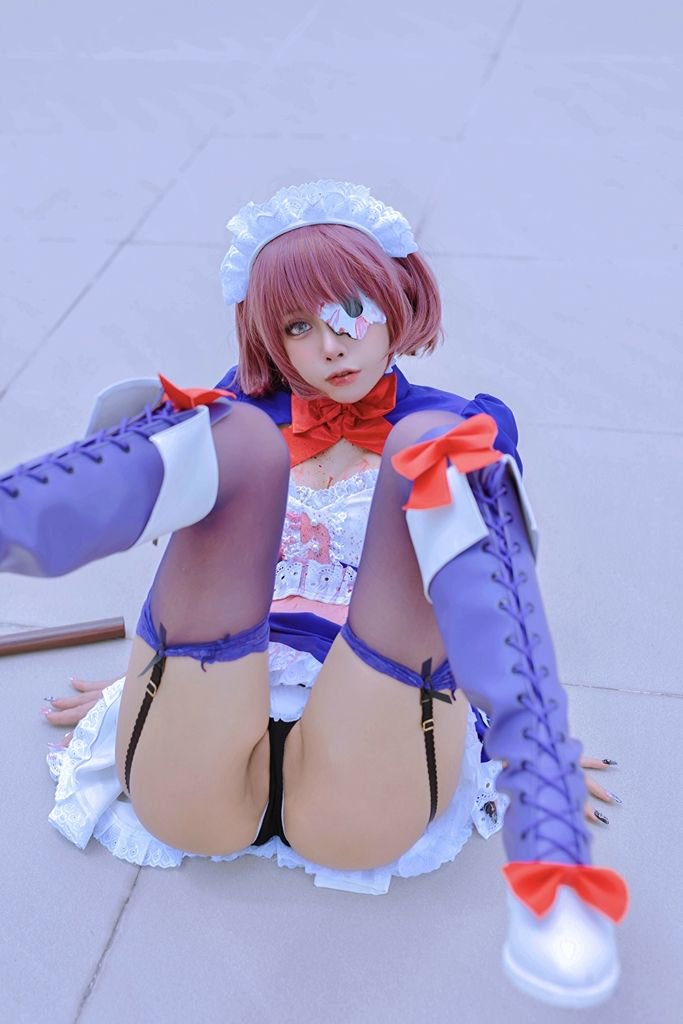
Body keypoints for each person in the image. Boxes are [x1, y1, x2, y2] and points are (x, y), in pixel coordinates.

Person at [0, 180, 627, 1008]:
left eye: (351, 309)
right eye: (297, 326)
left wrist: (516, 722)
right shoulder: (241, 414)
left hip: (374, 733)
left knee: (433, 451)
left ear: (397, 298)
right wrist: (142, 683)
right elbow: (202, 578)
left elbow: (472, 593)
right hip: (209, 725)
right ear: (270, 336)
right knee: (229, 434)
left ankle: (539, 788)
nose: (330, 345)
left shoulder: (459, 420)